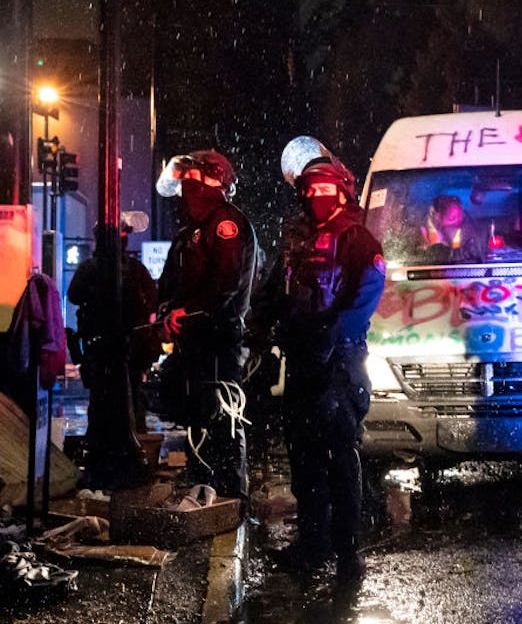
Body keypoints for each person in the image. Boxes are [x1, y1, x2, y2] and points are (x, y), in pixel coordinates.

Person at [249, 136, 385, 583]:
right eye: (308, 190)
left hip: (340, 364)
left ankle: (348, 553)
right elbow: (275, 289)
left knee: (341, 457)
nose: (314, 197)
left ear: (341, 193)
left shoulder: (357, 239)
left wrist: (333, 333)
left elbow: (368, 291)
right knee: (304, 457)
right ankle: (312, 545)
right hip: (302, 362)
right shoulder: (298, 240)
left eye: (323, 189)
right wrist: (258, 325)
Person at [155, 149, 258, 505]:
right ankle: (203, 492)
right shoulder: (191, 231)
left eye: (192, 179)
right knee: (197, 420)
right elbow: (170, 283)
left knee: (223, 420)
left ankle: (229, 499)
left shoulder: (226, 224)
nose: (186, 188)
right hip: (193, 343)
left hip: (220, 341)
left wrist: (188, 313)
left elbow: (225, 285)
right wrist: (166, 313)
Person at [67, 212, 158, 436]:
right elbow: (152, 303)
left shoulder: (92, 268)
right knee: (129, 397)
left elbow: (74, 296)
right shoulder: (134, 270)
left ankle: (106, 442)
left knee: (104, 398)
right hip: (122, 348)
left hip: (109, 348)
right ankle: (131, 441)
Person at [416, 194, 483, 263]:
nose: (457, 224)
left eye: (460, 218)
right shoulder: (422, 235)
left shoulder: (468, 237)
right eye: (452, 219)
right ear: (437, 217)